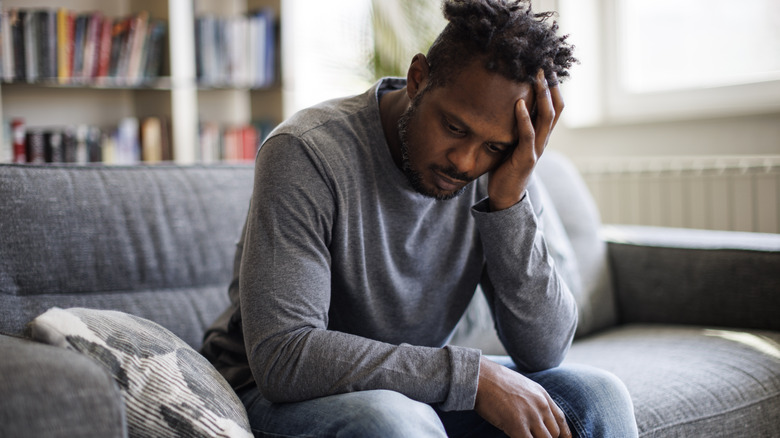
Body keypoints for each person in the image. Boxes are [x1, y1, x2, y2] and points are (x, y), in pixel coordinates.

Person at [202, 0, 639, 436]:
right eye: (455, 128)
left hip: (411, 389)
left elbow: (544, 350)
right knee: (396, 421)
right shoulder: (306, 152)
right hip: (271, 395)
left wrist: (509, 203)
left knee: (597, 396)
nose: (466, 163)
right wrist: (473, 377)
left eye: (492, 146)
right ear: (418, 79)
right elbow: (284, 357)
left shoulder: (504, 171)